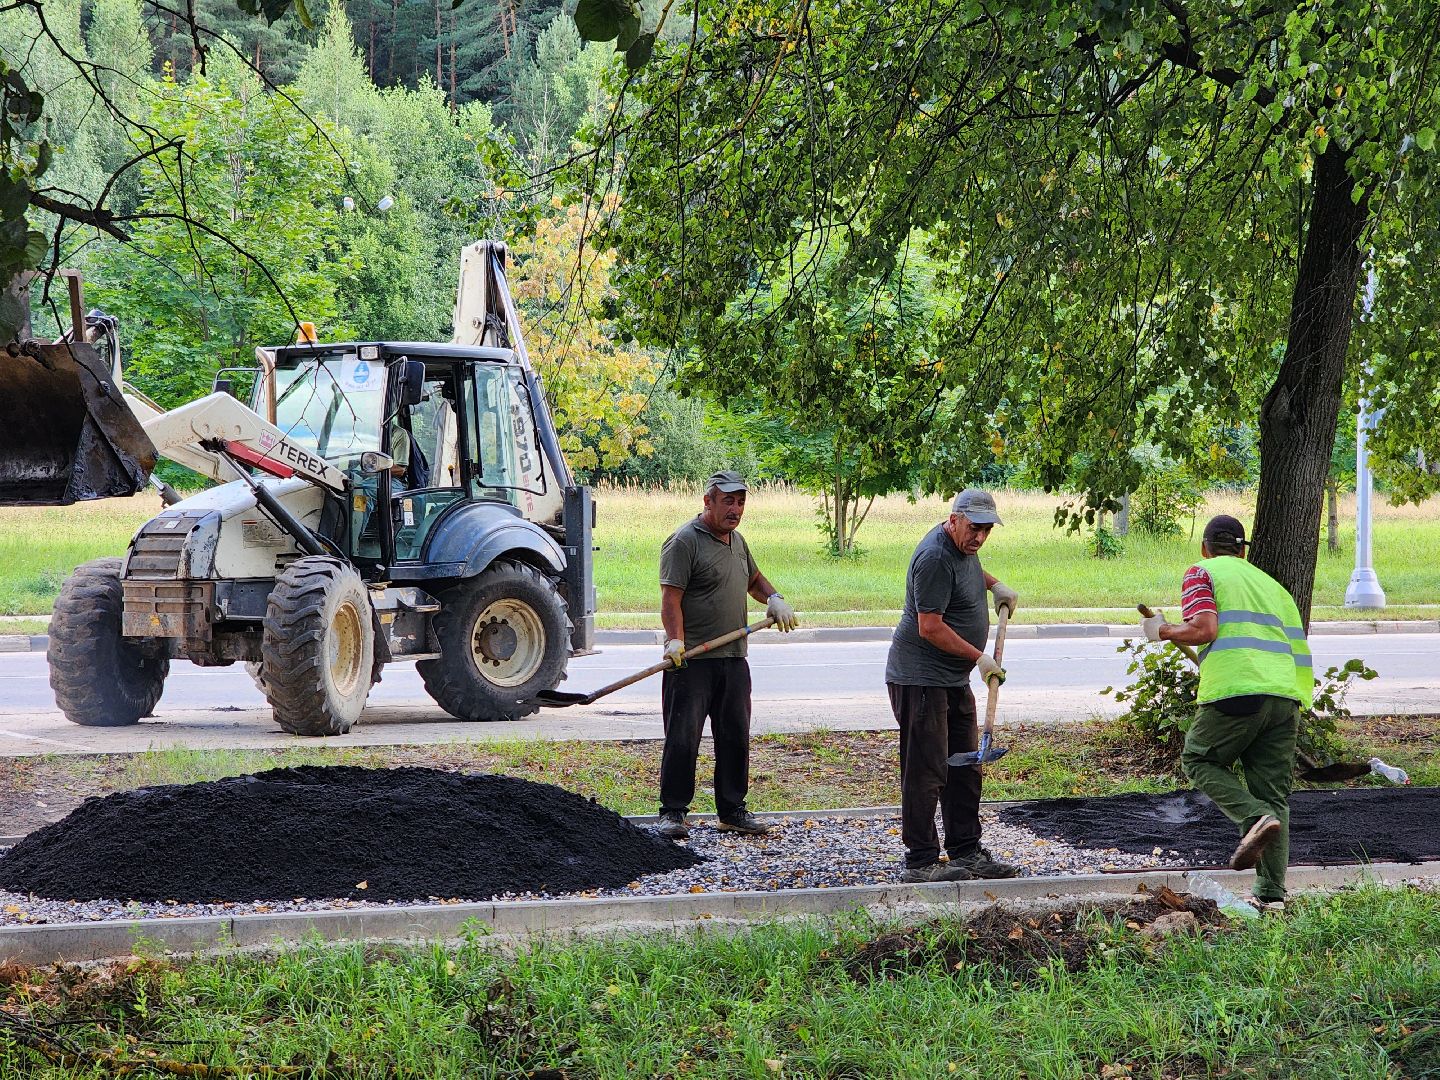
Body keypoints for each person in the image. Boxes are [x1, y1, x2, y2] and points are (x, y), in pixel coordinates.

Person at [1142, 513, 1313, 913]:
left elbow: (1204, 629)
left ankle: (1254, 819)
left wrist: (1162, 631)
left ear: (1205, 547)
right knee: (1273, 794)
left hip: (1236, 691)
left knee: (1199, 758)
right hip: (1285, 694)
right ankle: (1272, 898)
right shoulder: (1273, 587)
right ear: (1242, 550)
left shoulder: (1201, 572)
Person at [884, 488, 1021, 882]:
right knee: (927, 771)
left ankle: (965, 851)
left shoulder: (964, 550)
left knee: (966, 766)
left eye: (986, 530)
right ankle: (921, 861)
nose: (979, 537)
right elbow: (930, 627)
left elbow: (970, 571)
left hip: (951, 678)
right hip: (920, 679)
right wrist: (979, 657)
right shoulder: (934, 557)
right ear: (954, 519)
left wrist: (994, 585)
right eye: (973, 528)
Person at [654, 471, 799, 840]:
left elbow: (753, 580)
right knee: (683, 737)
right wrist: (675, 642)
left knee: (735, 736)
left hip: (734, 658)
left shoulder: (737, 541)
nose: (735, 509)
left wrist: (774, 598)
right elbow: (671, 599)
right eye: (728, 501)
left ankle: (732, 811)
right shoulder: (684, 541)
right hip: (691, 661)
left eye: (740, 502)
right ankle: (673, 813)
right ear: (708, 502)